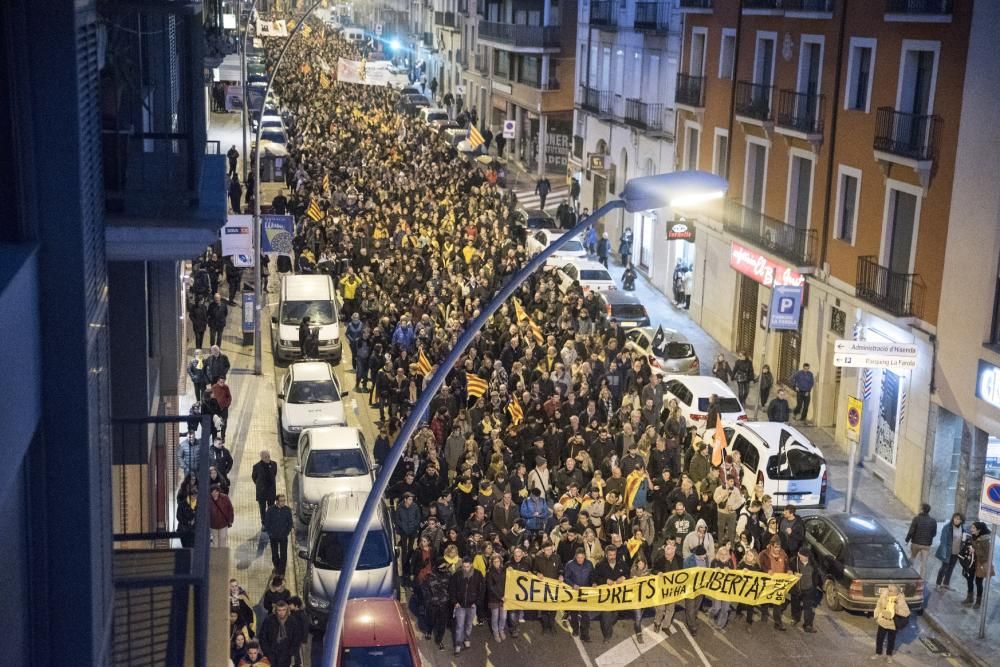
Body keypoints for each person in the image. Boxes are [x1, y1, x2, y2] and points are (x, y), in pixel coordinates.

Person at [450, 556, 485, 655]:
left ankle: (466, 638)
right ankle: (458, 644)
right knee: (459, 625)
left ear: (471, 565)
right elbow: (451, 589)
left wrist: (476, 602)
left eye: (467, 566)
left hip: (472, 605)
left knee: (469, 624)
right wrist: (455, 602)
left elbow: (482, 590)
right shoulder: (457, 575)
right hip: (460, 605)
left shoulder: (478, 574)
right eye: (464, 566)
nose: (465, 569)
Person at [595, 543, 627, 642]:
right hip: (606, 597)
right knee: (606, 615)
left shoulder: (621, 563)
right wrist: (605, 581)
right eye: (610, 555)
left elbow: (628, 573)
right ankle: (607, 635)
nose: (612, 557)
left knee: (615, 615)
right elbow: (595, 578)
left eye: (614, 555)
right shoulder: (600, 565)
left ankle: (607, 624)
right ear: (606, 554)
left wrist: (623, 577)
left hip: (618, 596)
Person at [258, 600, 306, 667]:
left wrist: (291, 652)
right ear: (276, 610)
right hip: (272, 653)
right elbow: (262, 637)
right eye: (279, 610)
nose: (281, 612)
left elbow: (297, 638)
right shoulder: (269, 620)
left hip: (287, 654)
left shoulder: (292, 621)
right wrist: (267, 652)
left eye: (283, 610)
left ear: (287, 610)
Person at [563, 547, 594, 641]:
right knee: (574, 613)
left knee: (586, 614)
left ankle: (585, 634)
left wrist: (593, 583)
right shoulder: (569, 564)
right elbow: (566, 578)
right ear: (575, 557)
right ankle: (575, 630)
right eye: (578, 557)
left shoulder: (589, 564)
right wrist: (573, 585)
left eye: (582, 557)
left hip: (585, 593)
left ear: (584, 556)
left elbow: (592, 575)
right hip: (574, 593)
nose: (580, 559)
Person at [873, 584, 910, 659]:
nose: (888, 591)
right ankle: (878, 653)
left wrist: (896, 608)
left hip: (892, 623)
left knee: (891, 640)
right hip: (883, 620)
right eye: (888, 589)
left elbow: (906, 612)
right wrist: (876, 616)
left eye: (891, 591)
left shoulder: (900, 599)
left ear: (896, 592)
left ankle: (889, 655)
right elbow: (878, 605)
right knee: (880, 638)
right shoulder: (884, 595)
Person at [788, 547, 820, 633]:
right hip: (796, 588)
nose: (799, 557)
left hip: (809, 589)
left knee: (808, 608)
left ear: (807, 557)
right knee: (795, 605)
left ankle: (808, 625)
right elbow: (788, 568)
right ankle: (795, 618)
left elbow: (816, 576)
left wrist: (814, 586)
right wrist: (791, 572)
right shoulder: (794, 561)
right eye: (799, 555)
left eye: (801, 556)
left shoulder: (813, 564)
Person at [964, 521, 994, 609]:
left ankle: (978, 602)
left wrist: (975, 550)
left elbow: (987, 554)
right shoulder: (973, 537)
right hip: (972, 562)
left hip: (980, 564)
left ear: (979, 530)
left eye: (973, 528)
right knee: (969, 579)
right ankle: (970, 598)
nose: (971, 529)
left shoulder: (985, 540)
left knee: (978, 582)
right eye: (972, 527)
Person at [905, 502, 937, 581]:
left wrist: (907, 540)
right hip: (926, 545)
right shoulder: (933, 521)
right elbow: (934, 533)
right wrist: (928, 538)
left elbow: (911, 531)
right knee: (923, 563)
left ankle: (909, 575)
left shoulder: (916, 519)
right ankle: (921, 580)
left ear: (922, 510)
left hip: (916, 543)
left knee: (912, 558)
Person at [935, 512, 966, 591]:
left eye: (958, 519)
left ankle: (946, 584)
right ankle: (938, 584)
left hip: (956, 552)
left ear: (961, 521)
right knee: (944, 568)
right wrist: (944, 551)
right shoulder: (947, 527)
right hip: (947, 552)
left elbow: (962, 541)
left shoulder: (962, 529)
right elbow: (943, 540)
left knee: (951, 568)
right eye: (955, 518)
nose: (956, 520)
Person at [264, 494, 293, 575]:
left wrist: (287, 532)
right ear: (276, 501)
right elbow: (267, 523)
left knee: (284, 554)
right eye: (281, 501)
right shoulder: (270, 510)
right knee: (275, 553)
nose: (283, 502)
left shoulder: (287, 510)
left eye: (284, 500)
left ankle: (282, 570)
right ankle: (277, 567)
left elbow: (290, 523)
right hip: (273, 536)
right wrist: (270, 533)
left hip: (283, 536)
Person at [486, 553, 508, 642]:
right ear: (492, 562)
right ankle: (495, 632)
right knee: (495, 617)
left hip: (504, 597)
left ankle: (501, 629)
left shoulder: (504, 570)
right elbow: (490, 587)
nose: (496, 563)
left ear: (501, 561)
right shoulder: (489, 572)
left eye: (498, 561)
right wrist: (500, 597)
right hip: (494, 598)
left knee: (503, 617)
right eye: (494, 561)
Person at [252, 450, 278, 526]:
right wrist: (260, 486)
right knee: (262, 509)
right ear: (261, 458)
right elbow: (254, 478)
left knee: (271, 508)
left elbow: (274, 474)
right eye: (265, 457)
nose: (268, 458)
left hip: (271, 491)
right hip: (262, 492)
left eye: (268, 456)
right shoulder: (256, 467)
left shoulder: (274, 464)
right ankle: (264, 523)